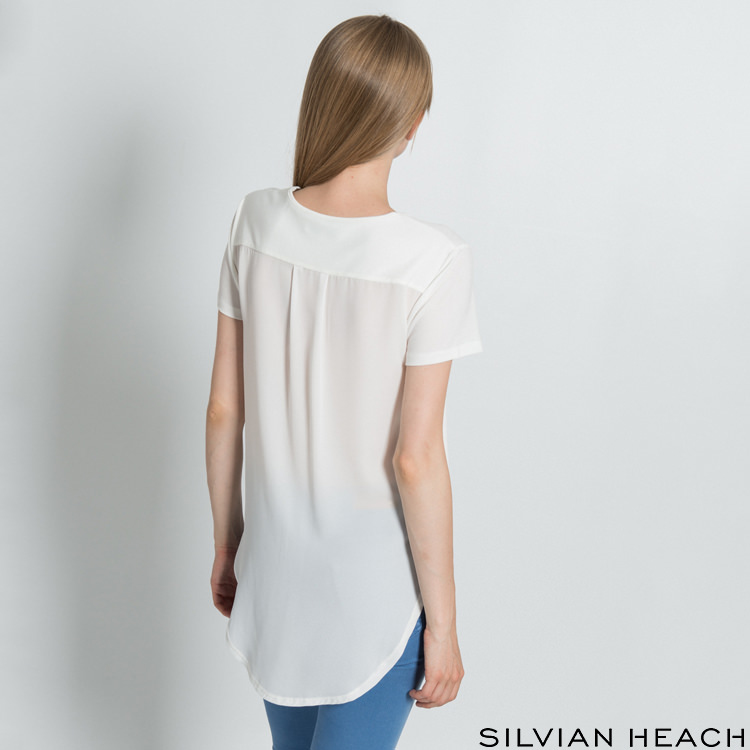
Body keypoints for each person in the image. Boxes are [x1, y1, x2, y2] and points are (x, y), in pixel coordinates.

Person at [205, 14, 483, 750]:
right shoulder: (433, 260)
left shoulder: (254, 221)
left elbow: (224, 410)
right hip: (372, 595)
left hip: (274, 575)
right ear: (413, 122)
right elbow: (416, 458)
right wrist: (445, 627)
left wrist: (229, 547)